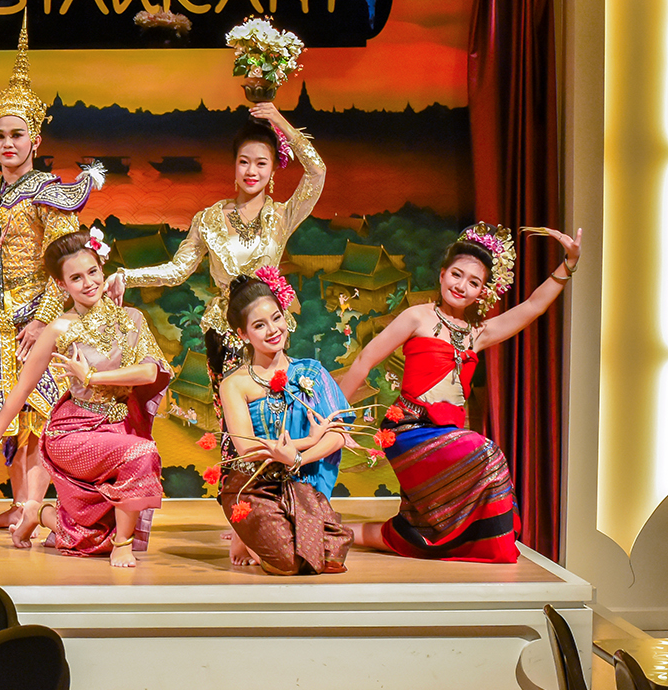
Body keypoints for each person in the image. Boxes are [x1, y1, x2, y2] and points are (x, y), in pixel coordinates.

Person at [0, 19, 102, 531]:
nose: (9, 143)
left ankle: (37, 510)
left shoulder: (50, 194)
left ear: (35, 138)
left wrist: (46, 321)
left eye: (18, 135)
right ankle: (19, 506)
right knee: (3, 423)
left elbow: (70, 264)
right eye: (1, 135)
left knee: (36, 418)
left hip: (35, 318)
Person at [338, 223, 581, 563]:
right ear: (441, 275)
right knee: (486, 452)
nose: (461, 286)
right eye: (456, 274)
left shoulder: (477, 334)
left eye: (474, 282)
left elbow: (533, 306)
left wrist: (568, 263)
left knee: (426, 525)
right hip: (407, 429)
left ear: (482, 292)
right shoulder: (416, 317)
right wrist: (331, 414)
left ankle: (339, 530)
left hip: (447, 434)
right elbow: (365, 360)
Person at [0, 229, 170, 567]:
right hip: (73, 431)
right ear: (62, 285)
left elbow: (148, 373)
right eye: (76, 278)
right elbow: (24, 385)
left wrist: (92, 376)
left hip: (117, 426)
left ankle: (38, 513)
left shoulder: (132, 319)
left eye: (93, 272)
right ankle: (123, 545)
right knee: (141, 452)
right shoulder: (59, 328)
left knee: (90, 538)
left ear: (103, 268)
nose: (88, 283)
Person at [107, 100, 323, 381]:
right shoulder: (208, 219)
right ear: (234, 166)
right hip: (226, 334)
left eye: (261, 163)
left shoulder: (283, 215)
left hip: (269, 330)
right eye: (243, 162)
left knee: (273, 409)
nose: (251, 172)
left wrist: (281, 123)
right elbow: (178, 271)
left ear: (272, 170)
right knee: (231, 418)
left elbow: (317, 172)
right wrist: (127, 276)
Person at [215, 270, 354, 575]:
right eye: (259, 325)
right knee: (287, 564)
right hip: (255, 485)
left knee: (331, 557)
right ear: (243, 334)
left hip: (300, 481)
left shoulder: (311, 372)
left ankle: (254, 534)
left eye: (276, 318)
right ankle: (245, 534)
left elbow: (339, 433)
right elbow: (249, 450)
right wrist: (304, 443)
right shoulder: (235, 384)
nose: (272, 330)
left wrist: (299, 458)